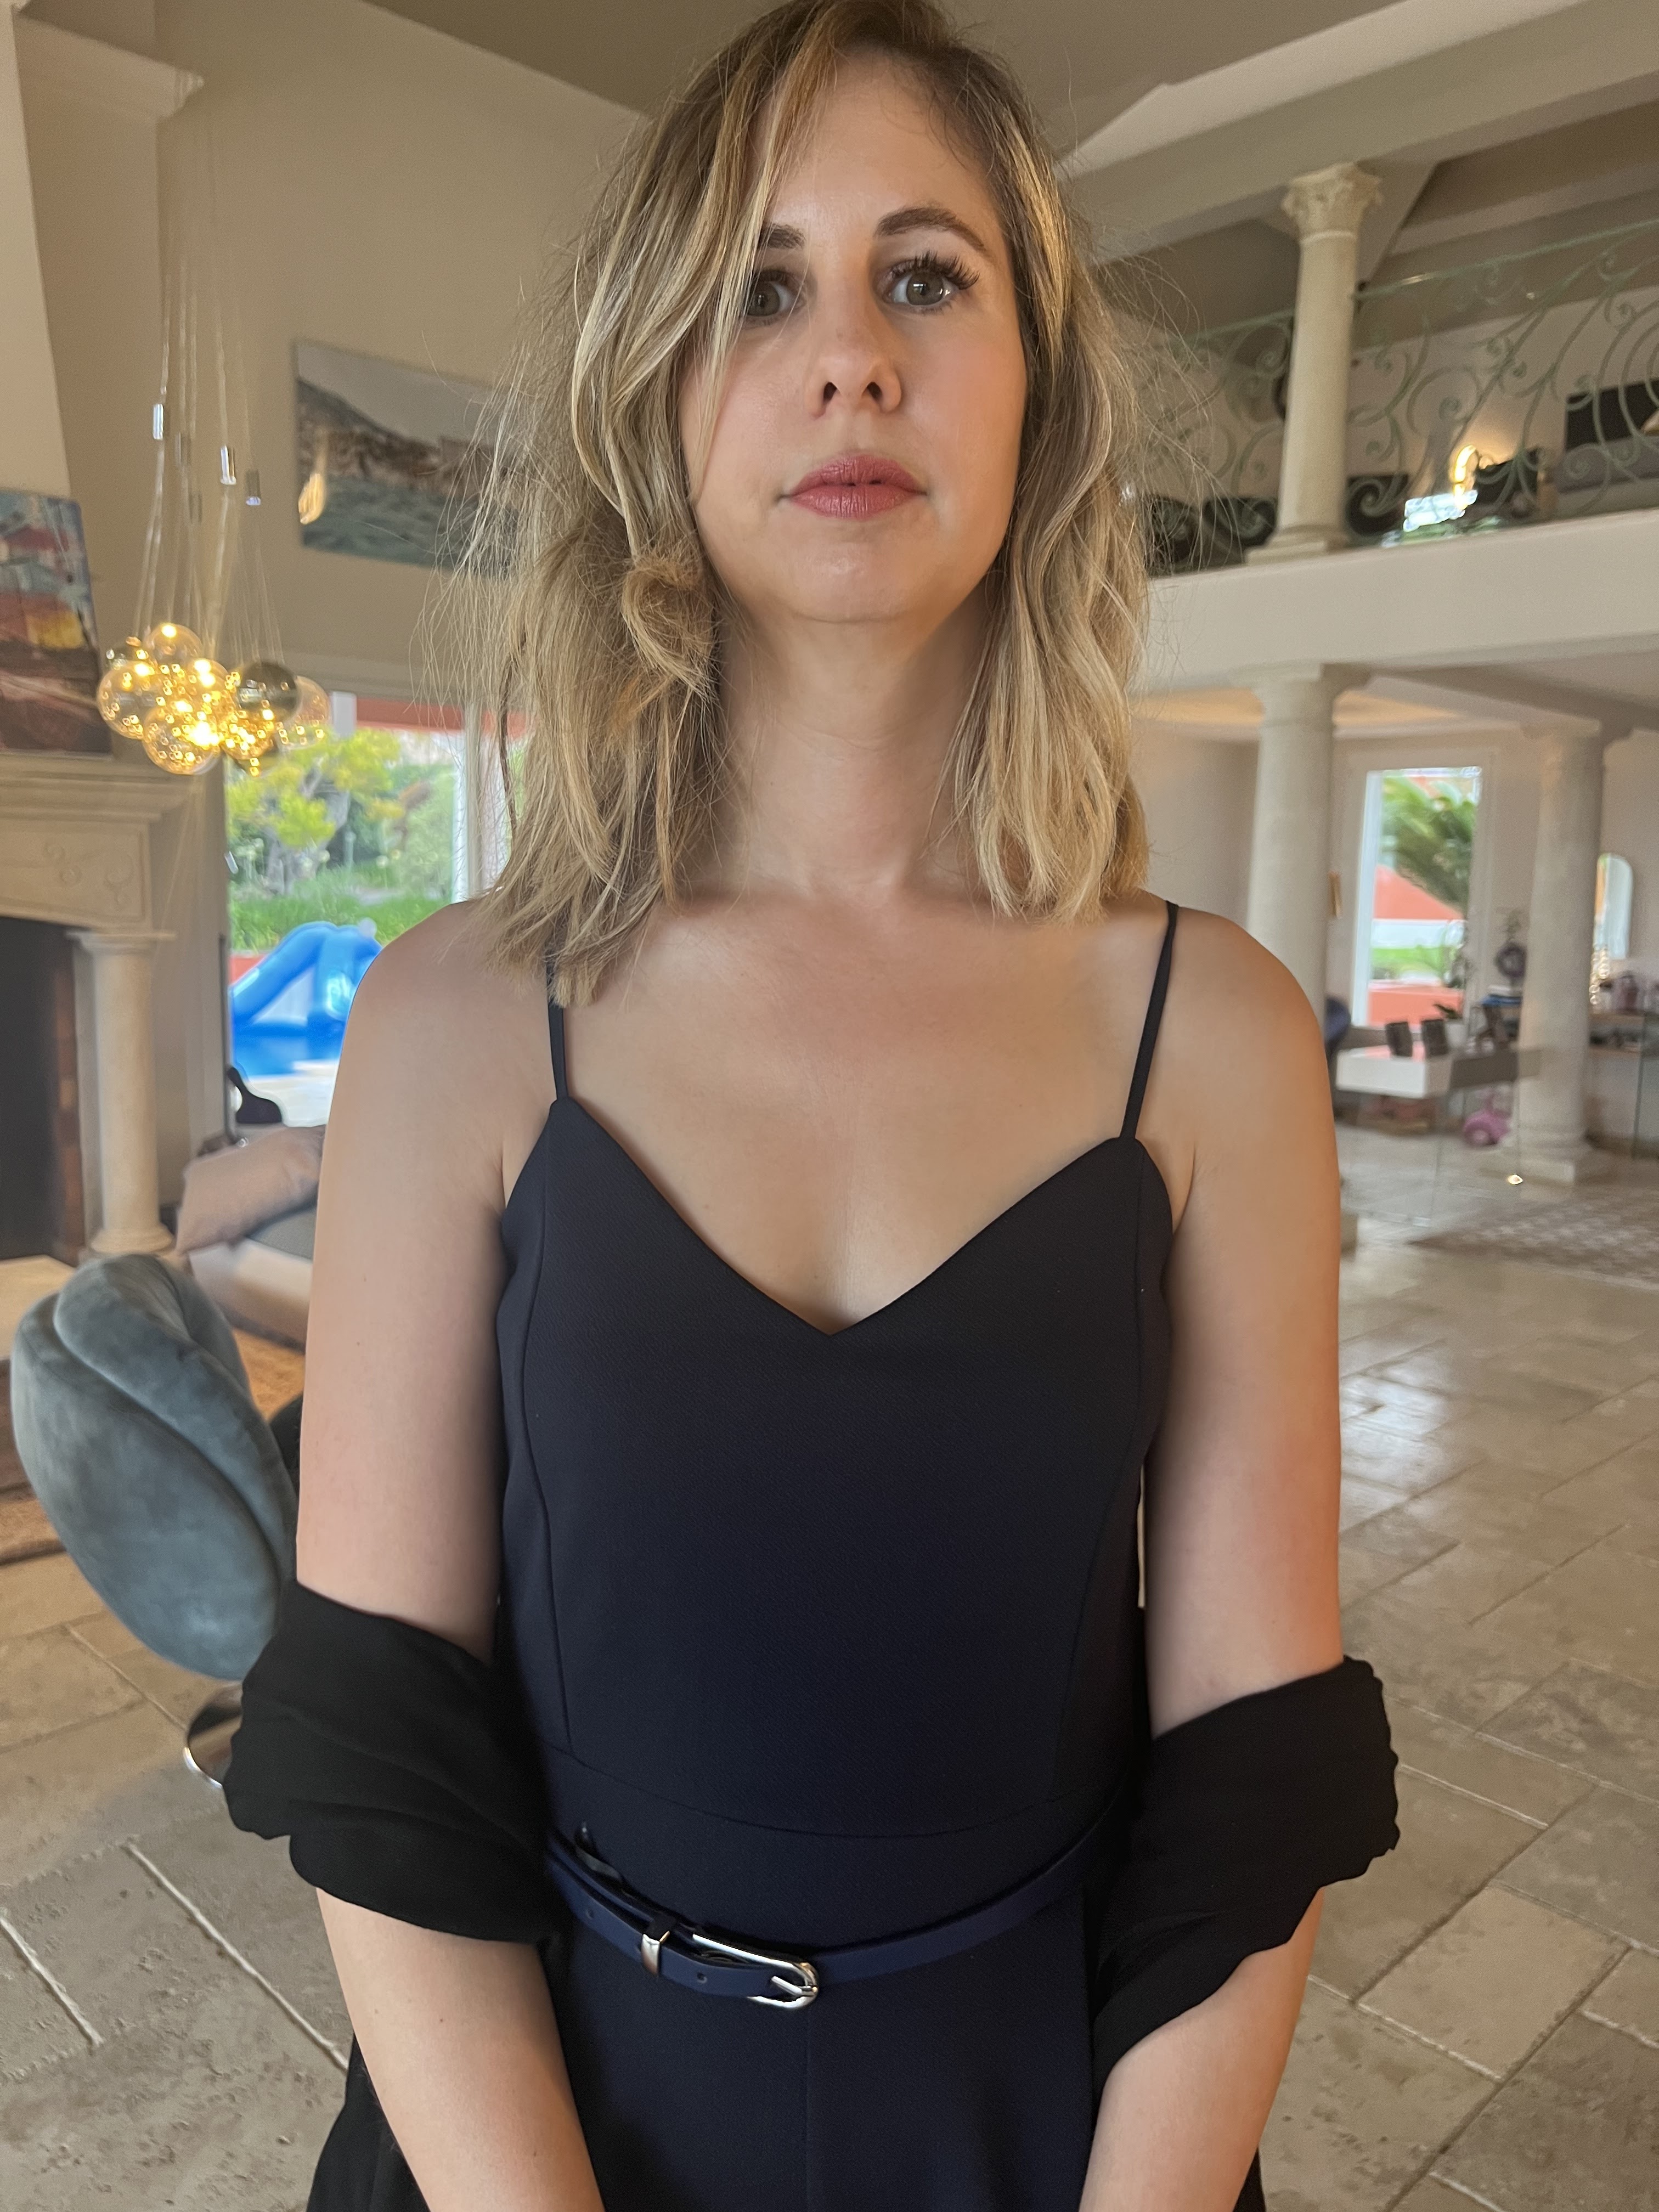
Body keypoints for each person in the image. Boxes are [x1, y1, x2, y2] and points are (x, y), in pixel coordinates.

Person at [225, 5, 1397, 2208]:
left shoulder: (1215, 1035)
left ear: (1037, 392)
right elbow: (386, 1751)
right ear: (656, 398)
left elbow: (1252, 1777)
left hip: (1047, 2132)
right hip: (544, 2132)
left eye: (925, 276)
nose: (850, 357)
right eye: (761, 291)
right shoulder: (460, 1019)